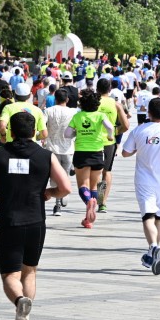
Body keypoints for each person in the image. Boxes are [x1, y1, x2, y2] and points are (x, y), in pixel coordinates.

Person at [0, 112, 72, 320]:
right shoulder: (46, 156)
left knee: (10, 274)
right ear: (34, 131)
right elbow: (66, 187)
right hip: (36, 221)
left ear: (10, 130)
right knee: (29, 271)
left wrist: (0, 196)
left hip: (10, 221)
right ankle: (25, 316)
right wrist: (49, 192)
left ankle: (19, 301)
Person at [121, 98, 160, 275]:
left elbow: (125, 153)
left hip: (144, 180)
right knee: (158, 218)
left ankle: (154, 246)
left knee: (147, 217)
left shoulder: (139, 130)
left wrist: (137, 149)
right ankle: (153, 252)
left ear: (148, 112)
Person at [65, 89, 114, 229]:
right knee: (97, 184)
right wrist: (110, 135)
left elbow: (67, 134)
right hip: (98, 152)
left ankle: (88, 202)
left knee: (83, 185)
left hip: (81, 152)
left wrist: (76, 132)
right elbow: (110, 126)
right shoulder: (100, 115)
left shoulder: (78, 116)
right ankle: (95, 207)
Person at [95, 77, 130, 214]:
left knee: (95, 171)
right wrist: (115, 131)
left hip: (94, 141)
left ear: (97, 89)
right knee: (106, 171)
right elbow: (126, 126)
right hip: (109, 141)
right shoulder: (116, 104)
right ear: (110, 90)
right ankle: (102, 202)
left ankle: (95, 198)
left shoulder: (94, 102)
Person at [43, 88, 77, 216]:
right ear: (67, 99)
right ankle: (62, 197)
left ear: (55, 99)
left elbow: (42, 125)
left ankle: (57, 205)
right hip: (68, 149)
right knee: (65, 175)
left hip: (52, 148)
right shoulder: (73, 112)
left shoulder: (48, 111)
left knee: (54, 177)